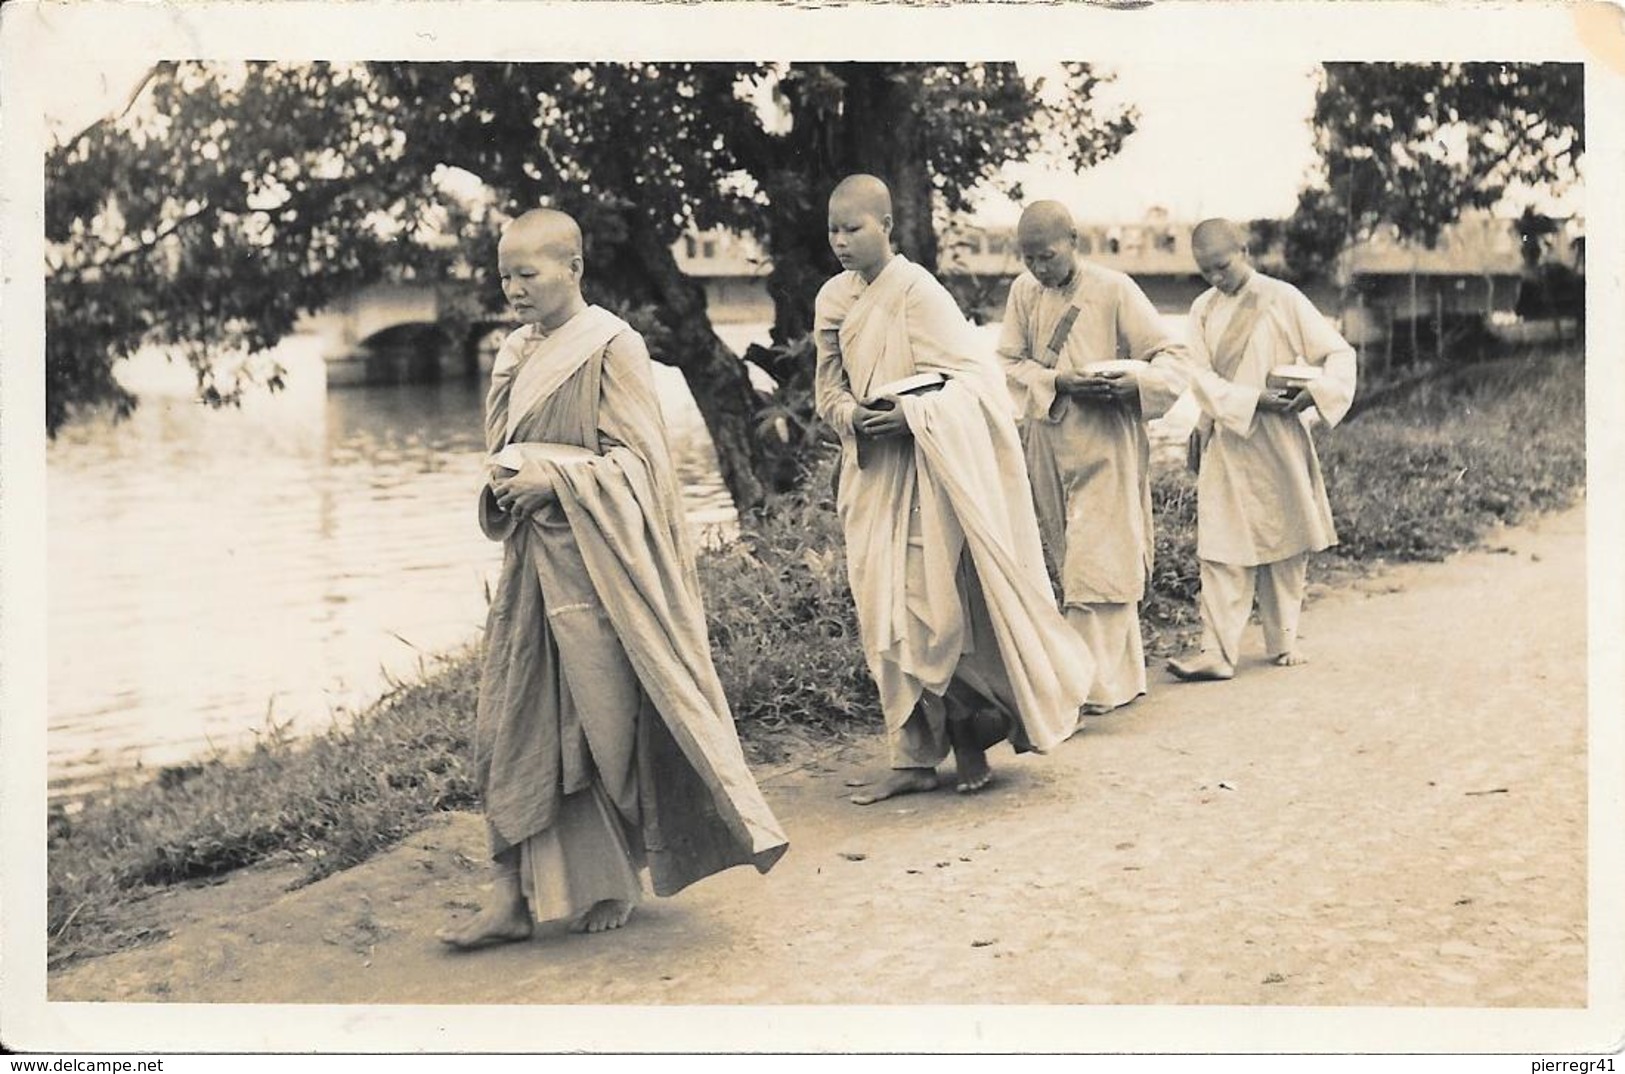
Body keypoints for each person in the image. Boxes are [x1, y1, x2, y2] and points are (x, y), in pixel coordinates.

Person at [438, 208, 787, 950]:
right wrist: (507, 485)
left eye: (526, 274)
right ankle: (508, 895)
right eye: (503, 276)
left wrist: (557, 485)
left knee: (602, 723)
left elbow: (642, 467)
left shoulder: (612, 346)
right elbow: (502, 448)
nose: (513, 289)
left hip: (602, 572)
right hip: (532, 563)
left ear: (573, 269)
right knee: (509, 720)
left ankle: (609, 880)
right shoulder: (510, 353)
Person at [813, 174, 1095, 806]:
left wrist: (912, 417)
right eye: (832, 229)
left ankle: (973, 729)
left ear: (887, 227)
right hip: (872, 475)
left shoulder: (920, 294)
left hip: (928, 476)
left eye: (852, 227)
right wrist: (850, 417)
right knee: (881, 614)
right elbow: (827, 385)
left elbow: (977, 384)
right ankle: (911, 756)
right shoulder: (831, 299)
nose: (840, 241)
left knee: (929, 610)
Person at [998, 200, 1191, 716]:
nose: (1039, 268)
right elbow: (1008, 364)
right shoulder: (1023, 293)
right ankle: (1120, 679)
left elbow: (1173, 358)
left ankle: (1084, 688)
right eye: (1029, 258)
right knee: (1071, 557)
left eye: (1048, 255)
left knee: (1098, 561)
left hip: (1106, 439)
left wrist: (1133, 383)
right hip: (1049, 438)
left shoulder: (1114, 289)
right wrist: (1057, 380)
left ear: (1074, 241)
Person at [1167, 218, 1357, 682]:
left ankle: (1283, 639)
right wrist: (1250, 401)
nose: (1216, 277)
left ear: (1245, 251)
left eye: (1223, 266)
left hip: (1279, 438)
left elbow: (1338, 353)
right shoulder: (1203, 310)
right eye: (1206, 270)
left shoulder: (1283, 298)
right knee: (1221, 545)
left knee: (1287, 537)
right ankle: (1218, 653)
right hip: (1231, 437)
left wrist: (1316, 391)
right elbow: (1199, 374)